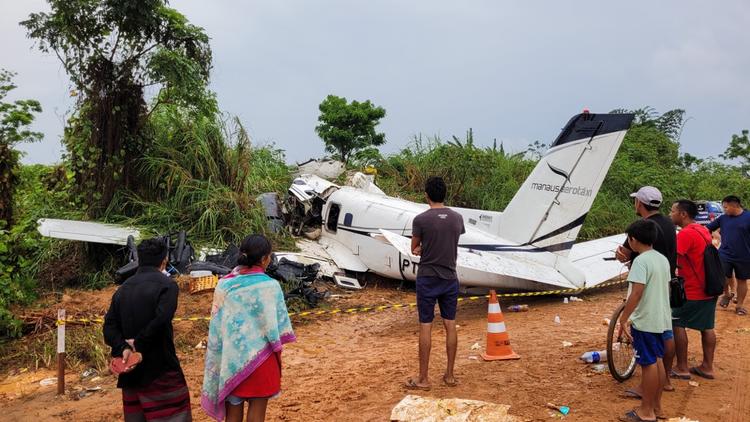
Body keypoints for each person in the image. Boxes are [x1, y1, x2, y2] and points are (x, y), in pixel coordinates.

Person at [201, 234, 296, 422]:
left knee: (232, 415)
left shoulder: (224, 285)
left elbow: (218, 327)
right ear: (263, 259)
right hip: (263, 360)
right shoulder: (271, 286)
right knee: (257, 414)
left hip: (231, 360)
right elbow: (279, 326)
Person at [103, 237, 192, 422]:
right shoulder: (167, 286)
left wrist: (124, 348)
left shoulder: (122, 289)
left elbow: (109, 326)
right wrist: (139, 344)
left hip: (131, 373)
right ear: (164, 260)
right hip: (161, 369)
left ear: (139, 260)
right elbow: (161, 319)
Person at [615, 186, 677, 396]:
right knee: (664, 340)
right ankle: (665, 381)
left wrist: (624, 318)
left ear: (639, 203)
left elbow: (636, 292)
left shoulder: (641, 229)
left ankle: (646, 395)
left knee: (649, 358)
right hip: (664, 286)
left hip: (646, 294)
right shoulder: (669, 223)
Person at [405, 176, 465, 391]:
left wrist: (423, 248)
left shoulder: (420, 220)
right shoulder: (457, 218)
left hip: (428, 278)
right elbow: (452, 242)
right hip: (450, 277)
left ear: (426, 195)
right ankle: (449, 375)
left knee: (426, 325)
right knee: (450, 324)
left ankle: (423, 378)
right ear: (445, 194)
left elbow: (415, 248)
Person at [618, 219, 672, 422]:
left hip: (646, 321)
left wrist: (624, 319)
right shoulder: (662, 259)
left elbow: (637, 293)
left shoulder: (640, 262)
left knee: (648, 364)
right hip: (661, 318)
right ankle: (656, 406)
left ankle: (646, 412)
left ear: (632, 240)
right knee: (656, 360)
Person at [667, 200, 718, 380]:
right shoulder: (702, 229)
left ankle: (681, 367)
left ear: (683, 214)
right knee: (707, 327)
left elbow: (673, 259)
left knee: (677, 323)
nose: (669, 214)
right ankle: (707, 366)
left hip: (692, 289)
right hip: (709, 287)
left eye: (672, 211)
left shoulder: (685, 234)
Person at [706, 195, 749, 315]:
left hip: (744, 255)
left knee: (742, 280)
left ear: (734, 205)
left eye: (726, 207)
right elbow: (707, 229)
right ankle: (727, 294)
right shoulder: (723, 218)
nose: (724, 210)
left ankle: (739, 306)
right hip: (725, 253)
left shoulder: (748, 217)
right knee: (722, 275)